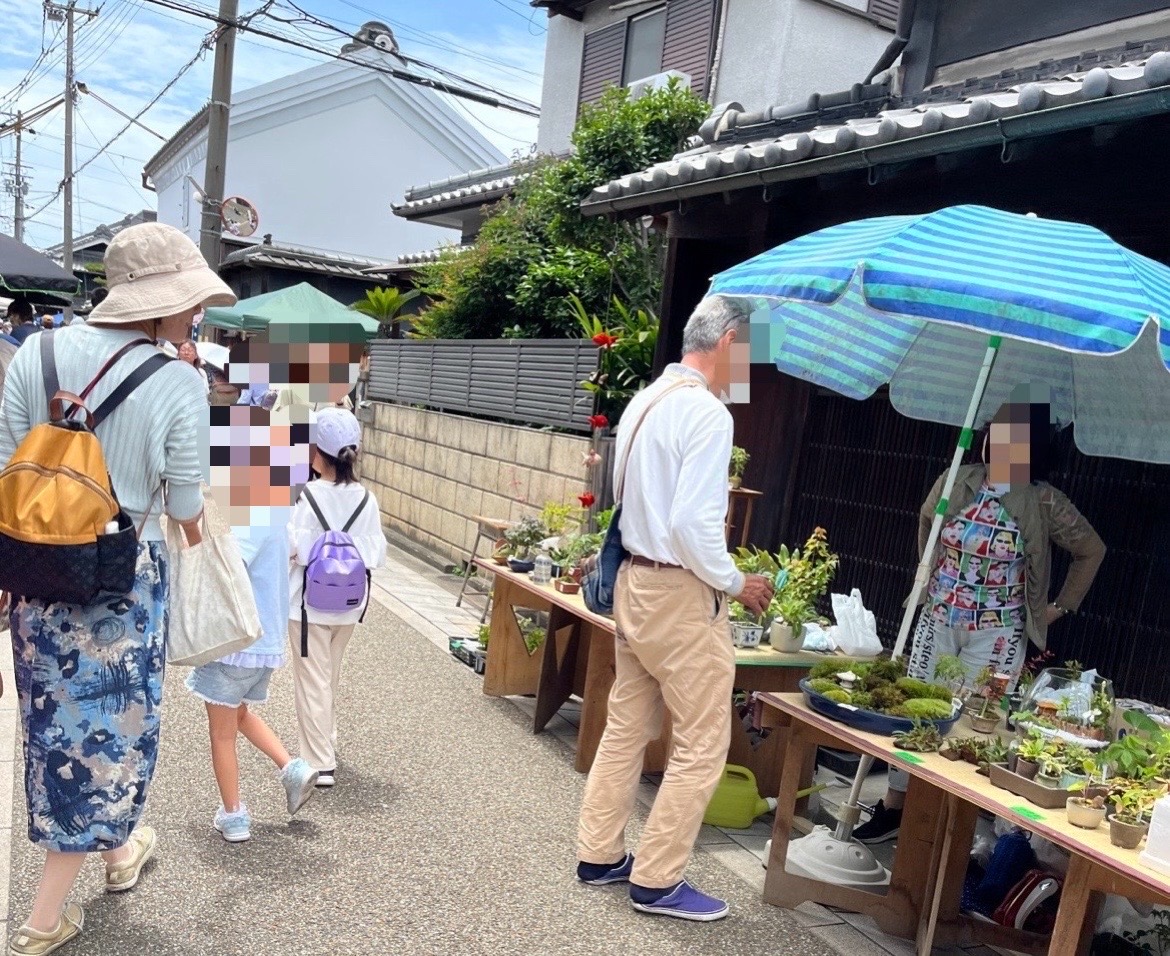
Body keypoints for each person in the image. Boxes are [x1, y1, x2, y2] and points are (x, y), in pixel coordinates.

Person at [1, 222, 234, 955]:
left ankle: (119, 851)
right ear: (166, 304)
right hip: (119, 588)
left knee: (52, 731)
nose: (193, 316)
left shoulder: (31, 352)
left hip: (36, 578)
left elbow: (9, 468)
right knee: (103, 738)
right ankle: (42, 921)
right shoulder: (177, 381)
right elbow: (188, 509)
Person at [575, 296, 773, 923]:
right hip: (682, 593)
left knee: (627, 726)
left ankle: (600, 854)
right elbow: (693, 522)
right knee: (701, 744)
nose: (751, 366)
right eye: (749, 351)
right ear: (729, 342)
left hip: (635, 581)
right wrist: (736, 580)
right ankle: (658, 881)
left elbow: (622, 494)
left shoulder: (645, 400)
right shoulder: (709, 416)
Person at [853, 397, 1106, 844]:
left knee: (979, 720)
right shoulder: (957, 478)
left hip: (999, 632)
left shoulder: (1045, 500)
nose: (1002, 444)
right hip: (938, 617)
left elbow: (1091, 550)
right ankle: (895, 807)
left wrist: (1059, 607)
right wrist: (926, 572)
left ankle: (952, 825)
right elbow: (928, 518)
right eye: (997, 433)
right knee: (916, 708)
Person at [187, 403, 319, 842]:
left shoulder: (245, 511)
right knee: (238, 712)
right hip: (263, 645)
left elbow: (231, 566)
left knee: (220, 732)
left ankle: (234, 815)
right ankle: (292, 767)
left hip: (234, 640)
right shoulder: (276, 508)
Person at [287, 407, 386, 788]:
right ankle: (325, 743)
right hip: (348, 605)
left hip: (307, 604)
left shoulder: (306, 495)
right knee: (328, 675)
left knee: (312, 679)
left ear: (317, 453)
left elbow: (291, 547)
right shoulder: (367, 499)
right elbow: (375, 554)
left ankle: (319, 762)